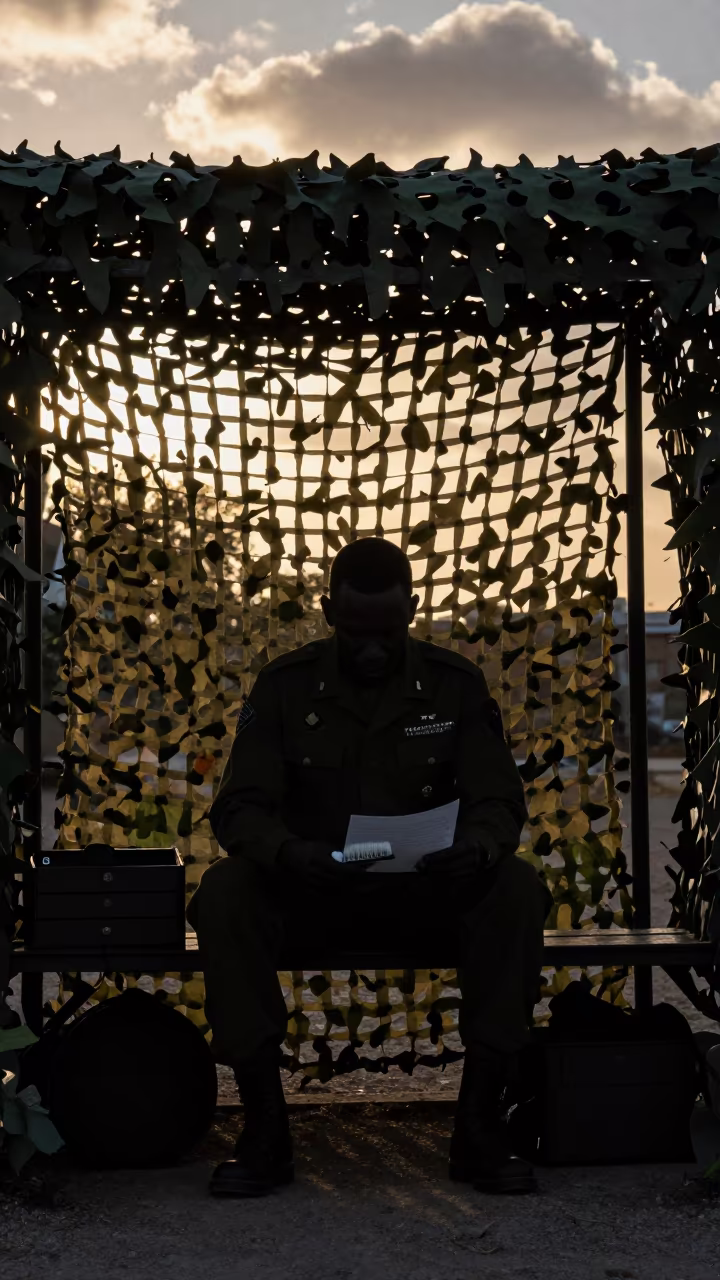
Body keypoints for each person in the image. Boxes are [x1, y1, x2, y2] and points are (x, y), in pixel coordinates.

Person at [188, 537, 550, 1198]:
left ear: (412, 609)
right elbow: (240, 808)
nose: (374, 648)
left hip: (427, 897)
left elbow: (499, 800)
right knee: (225, 891)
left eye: (388, 630)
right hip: (313, 895)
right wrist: (289, 854)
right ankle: (264, 1130)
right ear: (328, 612)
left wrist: (476, 845)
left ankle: (479, 1127)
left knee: (517, 888)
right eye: (356, 632)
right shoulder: (284, 686)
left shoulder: (455, 685)